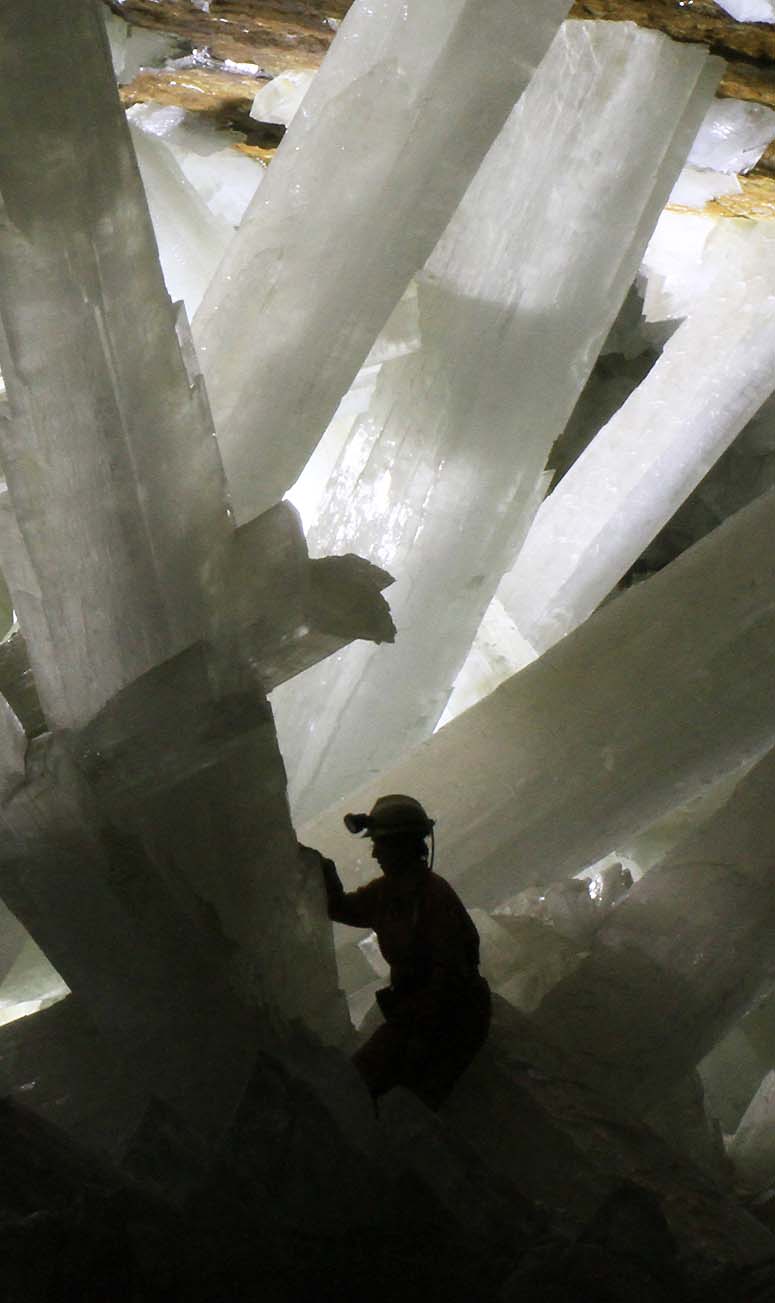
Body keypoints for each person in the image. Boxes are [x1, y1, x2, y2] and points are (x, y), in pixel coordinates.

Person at [304, 794, 491, 1110]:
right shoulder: (388, 893)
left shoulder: (434, 898)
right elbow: (343, 908)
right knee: (362, 1085)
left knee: (391, 1097)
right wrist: (321, 869)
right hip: (418, 1015)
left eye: (381, 845)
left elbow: (452, 977)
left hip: (453, 1019)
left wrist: (413, 1034)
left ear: (404, 847)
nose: (375, 853)